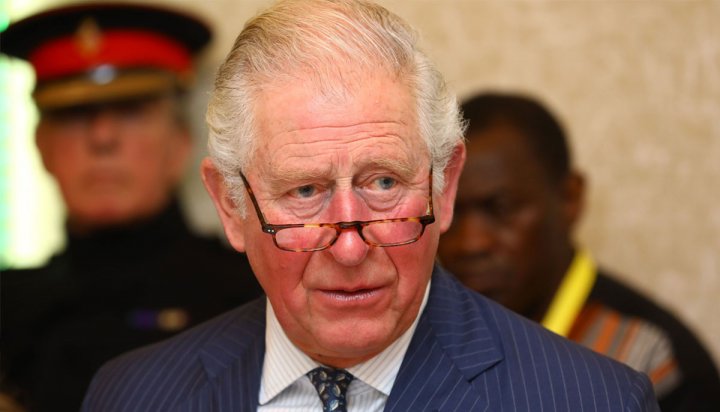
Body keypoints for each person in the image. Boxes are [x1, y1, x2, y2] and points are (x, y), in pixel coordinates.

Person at [81, 1, 660, 410]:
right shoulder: (131, 396)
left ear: (444, 187)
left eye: (383, 183)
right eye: (305, 192)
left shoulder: (591, 400)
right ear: (232, 206)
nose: (351, 246)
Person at [0, 3, 263, 411]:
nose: (102, 138)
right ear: (40, 144)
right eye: (75, 114)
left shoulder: (254, 299)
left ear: (180, 141)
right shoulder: (10, 310)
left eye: (131, 111)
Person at [437, 92, 720, 411]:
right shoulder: (429, 332)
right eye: (451, 211)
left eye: (501, 209)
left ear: (570, 198)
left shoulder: (653, 356)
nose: (471, 242)